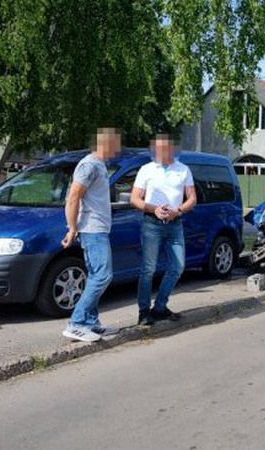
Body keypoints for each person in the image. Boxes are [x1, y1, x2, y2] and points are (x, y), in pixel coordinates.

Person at [61, 128, 122, 342]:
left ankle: (91, 323)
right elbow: (73, 197)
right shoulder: (89, 165)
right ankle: (76, 323)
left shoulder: (100, 165)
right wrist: (71, 228)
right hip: (92, 230)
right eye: (114, 143)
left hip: (99, 229)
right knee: (103, 275)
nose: (117, 148)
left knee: (96, 275)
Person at [130, 134, 197, 325]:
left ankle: (160, 306)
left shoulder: (183, 169)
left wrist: (178, 210)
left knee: (177, 267)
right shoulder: (146, 170)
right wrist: (154, 209)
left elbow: (192, 198)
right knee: (148, 269)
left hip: (175, 223)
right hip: (152, 223)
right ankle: (144, 312)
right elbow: (134, 199)